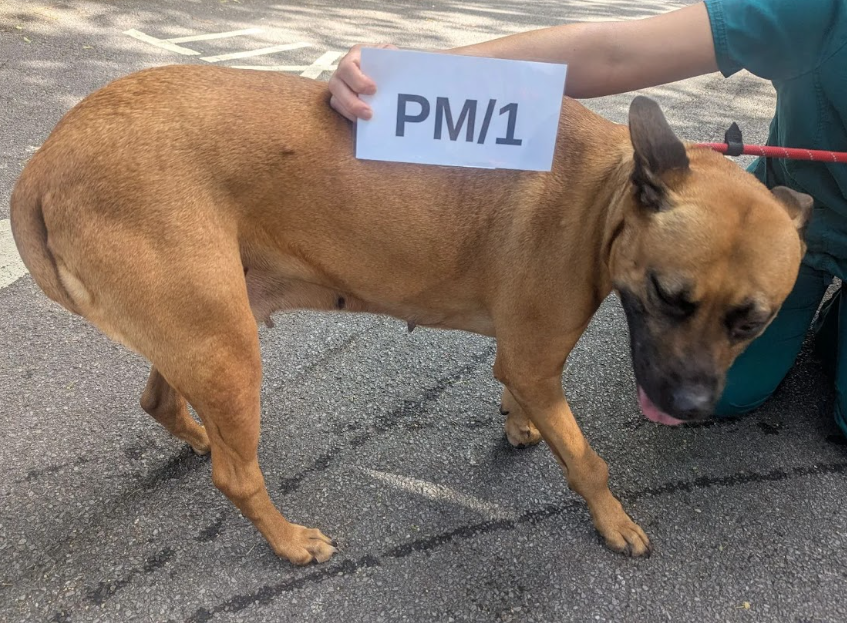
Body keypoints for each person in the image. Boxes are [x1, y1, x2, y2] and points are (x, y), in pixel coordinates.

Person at [327, 0, 847, 436]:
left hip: (789, 232)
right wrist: (412, 75)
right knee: (735, 397)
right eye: (671, 297)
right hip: (790, 210)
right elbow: (615, 52)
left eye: (745, 323)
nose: (691, 388)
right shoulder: (822, 10)